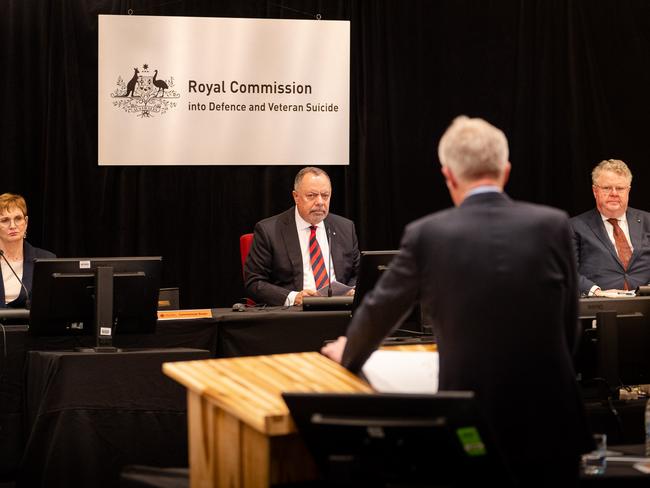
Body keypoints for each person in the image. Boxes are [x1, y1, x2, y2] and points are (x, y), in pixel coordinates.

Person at [322, 116, 593, 485]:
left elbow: (378, 310)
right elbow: (568, 324)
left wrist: (349, 352)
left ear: (448, 175)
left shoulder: (427, 234)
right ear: (506, 170)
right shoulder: (554, 224)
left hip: (469, 418)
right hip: (551, 418)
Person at [244, 167, 360, 306]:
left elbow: (359, 273)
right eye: (311, 195)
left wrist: (352, 291)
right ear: (296, 197)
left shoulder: (345, 228)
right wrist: (293, 297)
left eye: (325, 195)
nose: (320, 202)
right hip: (295, 315)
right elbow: (254, 282)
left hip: (340, 311)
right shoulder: (269, 231)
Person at [570, 159, 650, 296]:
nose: (614, 193)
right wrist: (598, 292)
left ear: (628, 190)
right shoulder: (574, 226)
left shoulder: (647, 221)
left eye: (619, 188)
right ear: (595, 191)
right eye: (607, 188)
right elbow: (567, 271)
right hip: (600, 306)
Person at [0, 193, 55, 308]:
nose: (13, 225)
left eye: (18, 219)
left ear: (26, 222)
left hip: (28, 325)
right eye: (5, 220)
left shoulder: (46, 260)